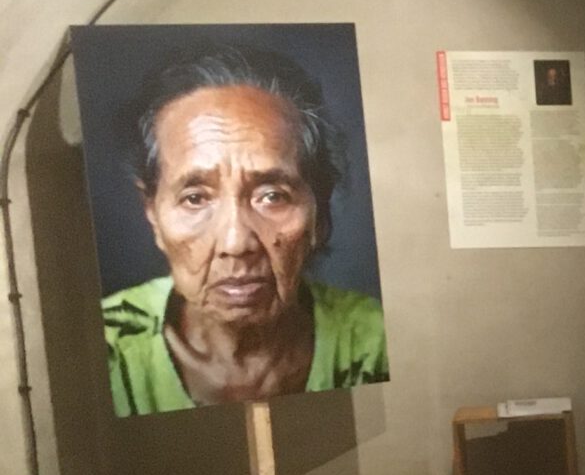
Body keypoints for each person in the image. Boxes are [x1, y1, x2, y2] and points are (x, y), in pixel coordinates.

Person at [100, 44, 389, 416]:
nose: (236, 243)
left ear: (318, 211)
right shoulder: (104, 353)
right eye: (195, 198)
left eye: (272, 196)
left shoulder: (373, 342)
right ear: (153, 213)